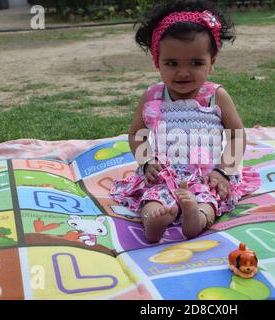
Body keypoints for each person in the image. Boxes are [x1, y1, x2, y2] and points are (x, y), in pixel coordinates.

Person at [111, 0, 261, 243]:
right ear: (157, 62)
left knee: (207, 200)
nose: (183, 72)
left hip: (207, 174)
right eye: (172, 64)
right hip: (165, 174)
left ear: (211, 62)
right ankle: (154, 221)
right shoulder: (152, 97)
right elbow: (136, 134)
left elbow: (236, 135)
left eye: (196, 63)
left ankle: (196, 219)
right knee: (153, 199)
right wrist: (147, 161)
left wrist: (223, 172)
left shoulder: (216, 96)